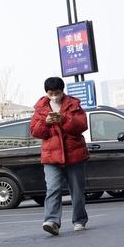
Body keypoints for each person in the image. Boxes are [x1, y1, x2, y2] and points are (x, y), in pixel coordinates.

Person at [30, 77, 89, 235]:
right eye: (51, 93)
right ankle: (52, 221)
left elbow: (82, 125)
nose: (54, 96)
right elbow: (35, 131)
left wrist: (64, 119)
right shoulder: (40, 108)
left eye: (57, 93)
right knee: (52, 188)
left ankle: (79, 220)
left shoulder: (73, 104)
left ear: (62, 91)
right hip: (51, 156)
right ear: (46, 93)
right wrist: (46, 123)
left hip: (74, 153)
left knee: (77, 189)